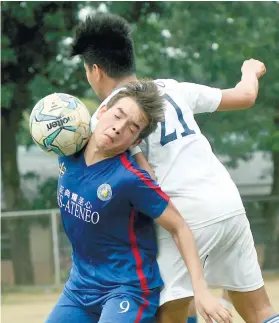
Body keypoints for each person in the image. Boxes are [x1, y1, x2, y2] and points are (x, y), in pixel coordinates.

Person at [70, 13, 279, 323]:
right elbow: (246, 96)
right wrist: (249, 70)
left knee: (167, 316)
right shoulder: (171, 87)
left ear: (95, 70)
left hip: (185, 217)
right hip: (229, 204)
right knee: (260, 310)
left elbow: (138, 180)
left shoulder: (106, 117)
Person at [46, 81, 232, 323]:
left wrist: (201, 290)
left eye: (132, 128)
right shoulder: (67, 152)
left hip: (127, 290)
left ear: (135, 142)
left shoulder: (131, 179)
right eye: (118, 115)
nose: (118, 128)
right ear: (102, 112)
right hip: (80, 287)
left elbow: (180, 227)